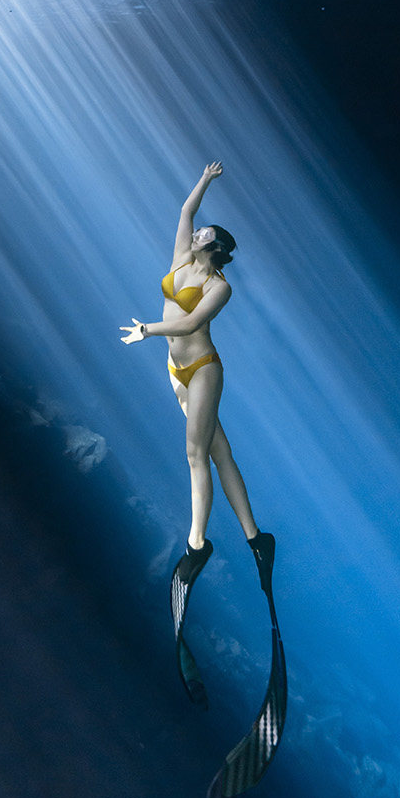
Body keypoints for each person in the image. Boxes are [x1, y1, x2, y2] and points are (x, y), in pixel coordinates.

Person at [120, 161, 274, 591]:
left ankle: (197, 545)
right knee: (219, 450)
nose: (195, 232)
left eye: (204, 233)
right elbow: (186, 212)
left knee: (195, 455)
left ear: (215, 246)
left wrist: (147, 330)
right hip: (176, 370)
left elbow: (189, 326)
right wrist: (204, 181)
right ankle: (256, 538)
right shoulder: (181, 257)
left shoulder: (219, 286)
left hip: (203, 370)